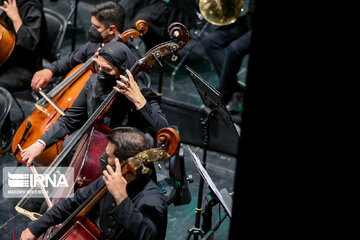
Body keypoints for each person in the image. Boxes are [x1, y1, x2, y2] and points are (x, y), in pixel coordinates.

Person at [21, 41, 169, 174]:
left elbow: (163, 132)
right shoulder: (93, 83)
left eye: (108, 70)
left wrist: (138, 101)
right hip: (93, 145)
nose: (101, 74)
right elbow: (69, 120)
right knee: (69, 145)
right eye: (99, 67)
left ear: (123, 70)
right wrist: (41, 143)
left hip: (124, 156)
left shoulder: (141, 93)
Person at [20, 126, 168, 240]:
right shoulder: (110, 179)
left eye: (108, 156)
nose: (104, 159)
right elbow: (74, 202)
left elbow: (148, 236)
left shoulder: (152, 198)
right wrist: (36, 227)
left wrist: (122, 198)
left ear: (122, 163)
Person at [31, 1, 143, 92]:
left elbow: (136, 88)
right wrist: (50, 70)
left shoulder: (131, 56)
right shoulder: (94, 45)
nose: (92, 30)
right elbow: (70, 60)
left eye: (96, 27)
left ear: (111, 29)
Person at [0, 0, 48, 153]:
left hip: (26, 67)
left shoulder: (31, 6)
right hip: (6, 59)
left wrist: (15, 18)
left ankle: (5, 133)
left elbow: (31, 45)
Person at [201, 0, 254, 111]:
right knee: (209, 41)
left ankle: (224, 93)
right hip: (250, 19)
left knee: (234, 49)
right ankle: (235, 90)